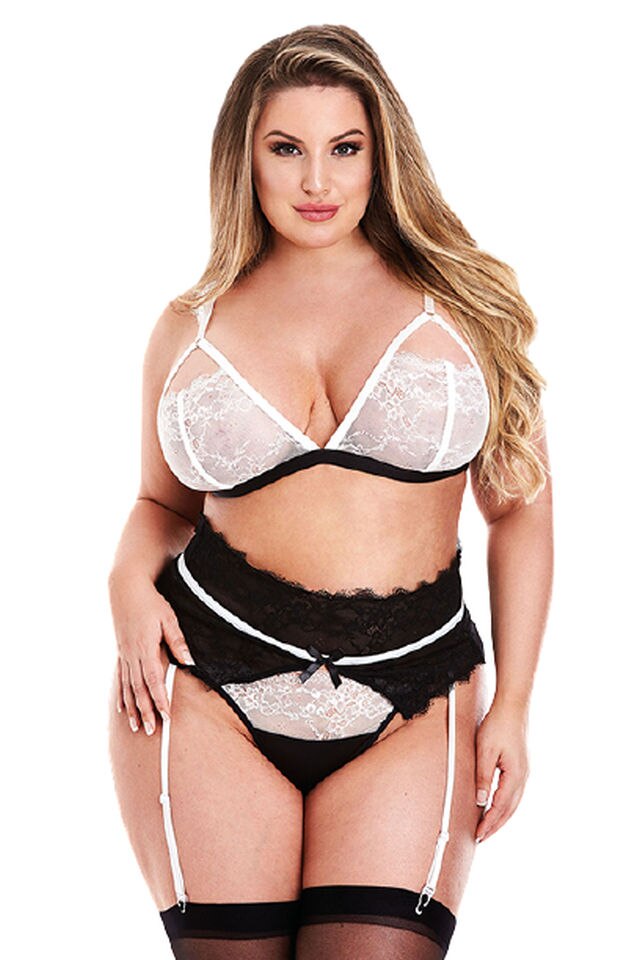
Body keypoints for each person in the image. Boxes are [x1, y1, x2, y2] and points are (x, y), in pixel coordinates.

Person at [107, 23, 553, 960]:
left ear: (381, 155)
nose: (318, 180)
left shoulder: (467, 307)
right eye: (287, 149)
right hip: (201, 687)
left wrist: (513, 703)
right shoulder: (188, 326)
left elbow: (519, 510)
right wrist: (123, 590)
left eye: (345, 148)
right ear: (245, 159)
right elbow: (161, 506)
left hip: (417, 695)